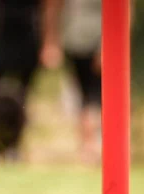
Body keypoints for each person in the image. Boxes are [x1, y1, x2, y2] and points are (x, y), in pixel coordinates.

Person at [41, 0, 102, 164]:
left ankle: (91, 145)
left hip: (97, 42)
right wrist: (52, 42)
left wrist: (106, 46)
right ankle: (89, 146)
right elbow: (53, 8)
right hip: (75, 43)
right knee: (88, 98)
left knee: (93, 98)